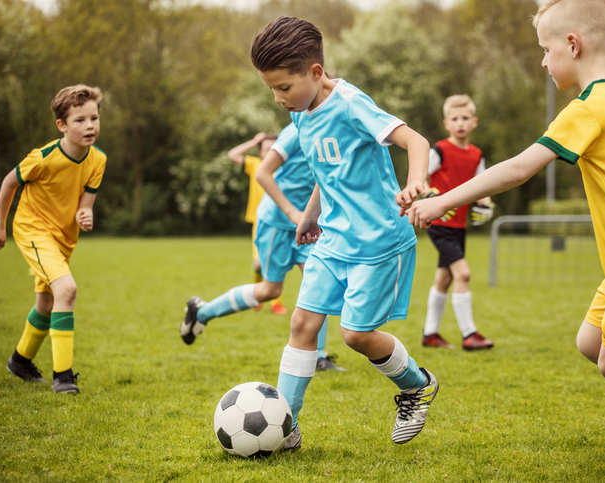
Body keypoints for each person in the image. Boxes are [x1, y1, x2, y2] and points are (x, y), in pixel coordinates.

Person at [406, 0, 605, 479]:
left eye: (545, 50)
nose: (543, 62)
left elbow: (518, 169)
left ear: (573, 44)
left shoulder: (586, 109)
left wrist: (443, 201)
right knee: (592, 342)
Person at [250, 16, 439, 450]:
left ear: (316, 73)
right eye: (272, 89)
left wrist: (414, 183)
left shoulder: (352, 104)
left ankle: (418, 385)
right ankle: (286, 426)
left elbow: (417, 142)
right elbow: (325, 170)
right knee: (302, 324)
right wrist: (310, 215)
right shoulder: (301, 114)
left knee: (355, 336)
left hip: (377, 242)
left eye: (283, 87)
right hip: (332, 239)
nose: (278, 98)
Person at [180, 123, 346, 372]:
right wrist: (292, 213)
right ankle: (201, 312)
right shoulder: (296, 131)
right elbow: (262, 174)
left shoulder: (333, 130)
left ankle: (318, 357)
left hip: (309, 224)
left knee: (319, 284)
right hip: (276, 223)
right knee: (270, 290)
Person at [0, 84, 107, 395]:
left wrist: (86, 215)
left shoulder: (98, 160)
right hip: (32, 231)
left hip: (63, 238)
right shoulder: (42, 158)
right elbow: (8, 183)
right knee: (67, 289)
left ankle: (20, 361)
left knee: (47, 303)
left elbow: (85, 204)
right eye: (80, 120)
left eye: (94, 118)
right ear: (62, 125)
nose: (90, 126)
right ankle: (63, 377)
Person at [421, 94, 494, 351]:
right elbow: (420, 177)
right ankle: (469, 335)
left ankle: (430, 334)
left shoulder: (476, 154)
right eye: (455, 119)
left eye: (465, 118)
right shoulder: (439, 150)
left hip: (459, 226)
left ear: (474, 122)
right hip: (440, 224)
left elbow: (483, 183)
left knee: (444, 278)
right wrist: (430, 194)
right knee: (463, 273)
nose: (460, 123)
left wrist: (486, 205)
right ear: (446, 123)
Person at [227, 132, 288, 315]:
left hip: (281, 222)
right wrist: (254, 141)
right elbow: (233, 155)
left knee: (275, 261)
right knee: (259, 263)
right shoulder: (255, 165)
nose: (270, 153)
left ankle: (276, 302)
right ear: (260, 152)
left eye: (274, 149)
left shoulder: (285, 168)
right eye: (267, 149)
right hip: (259, 220)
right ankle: (257, 296)